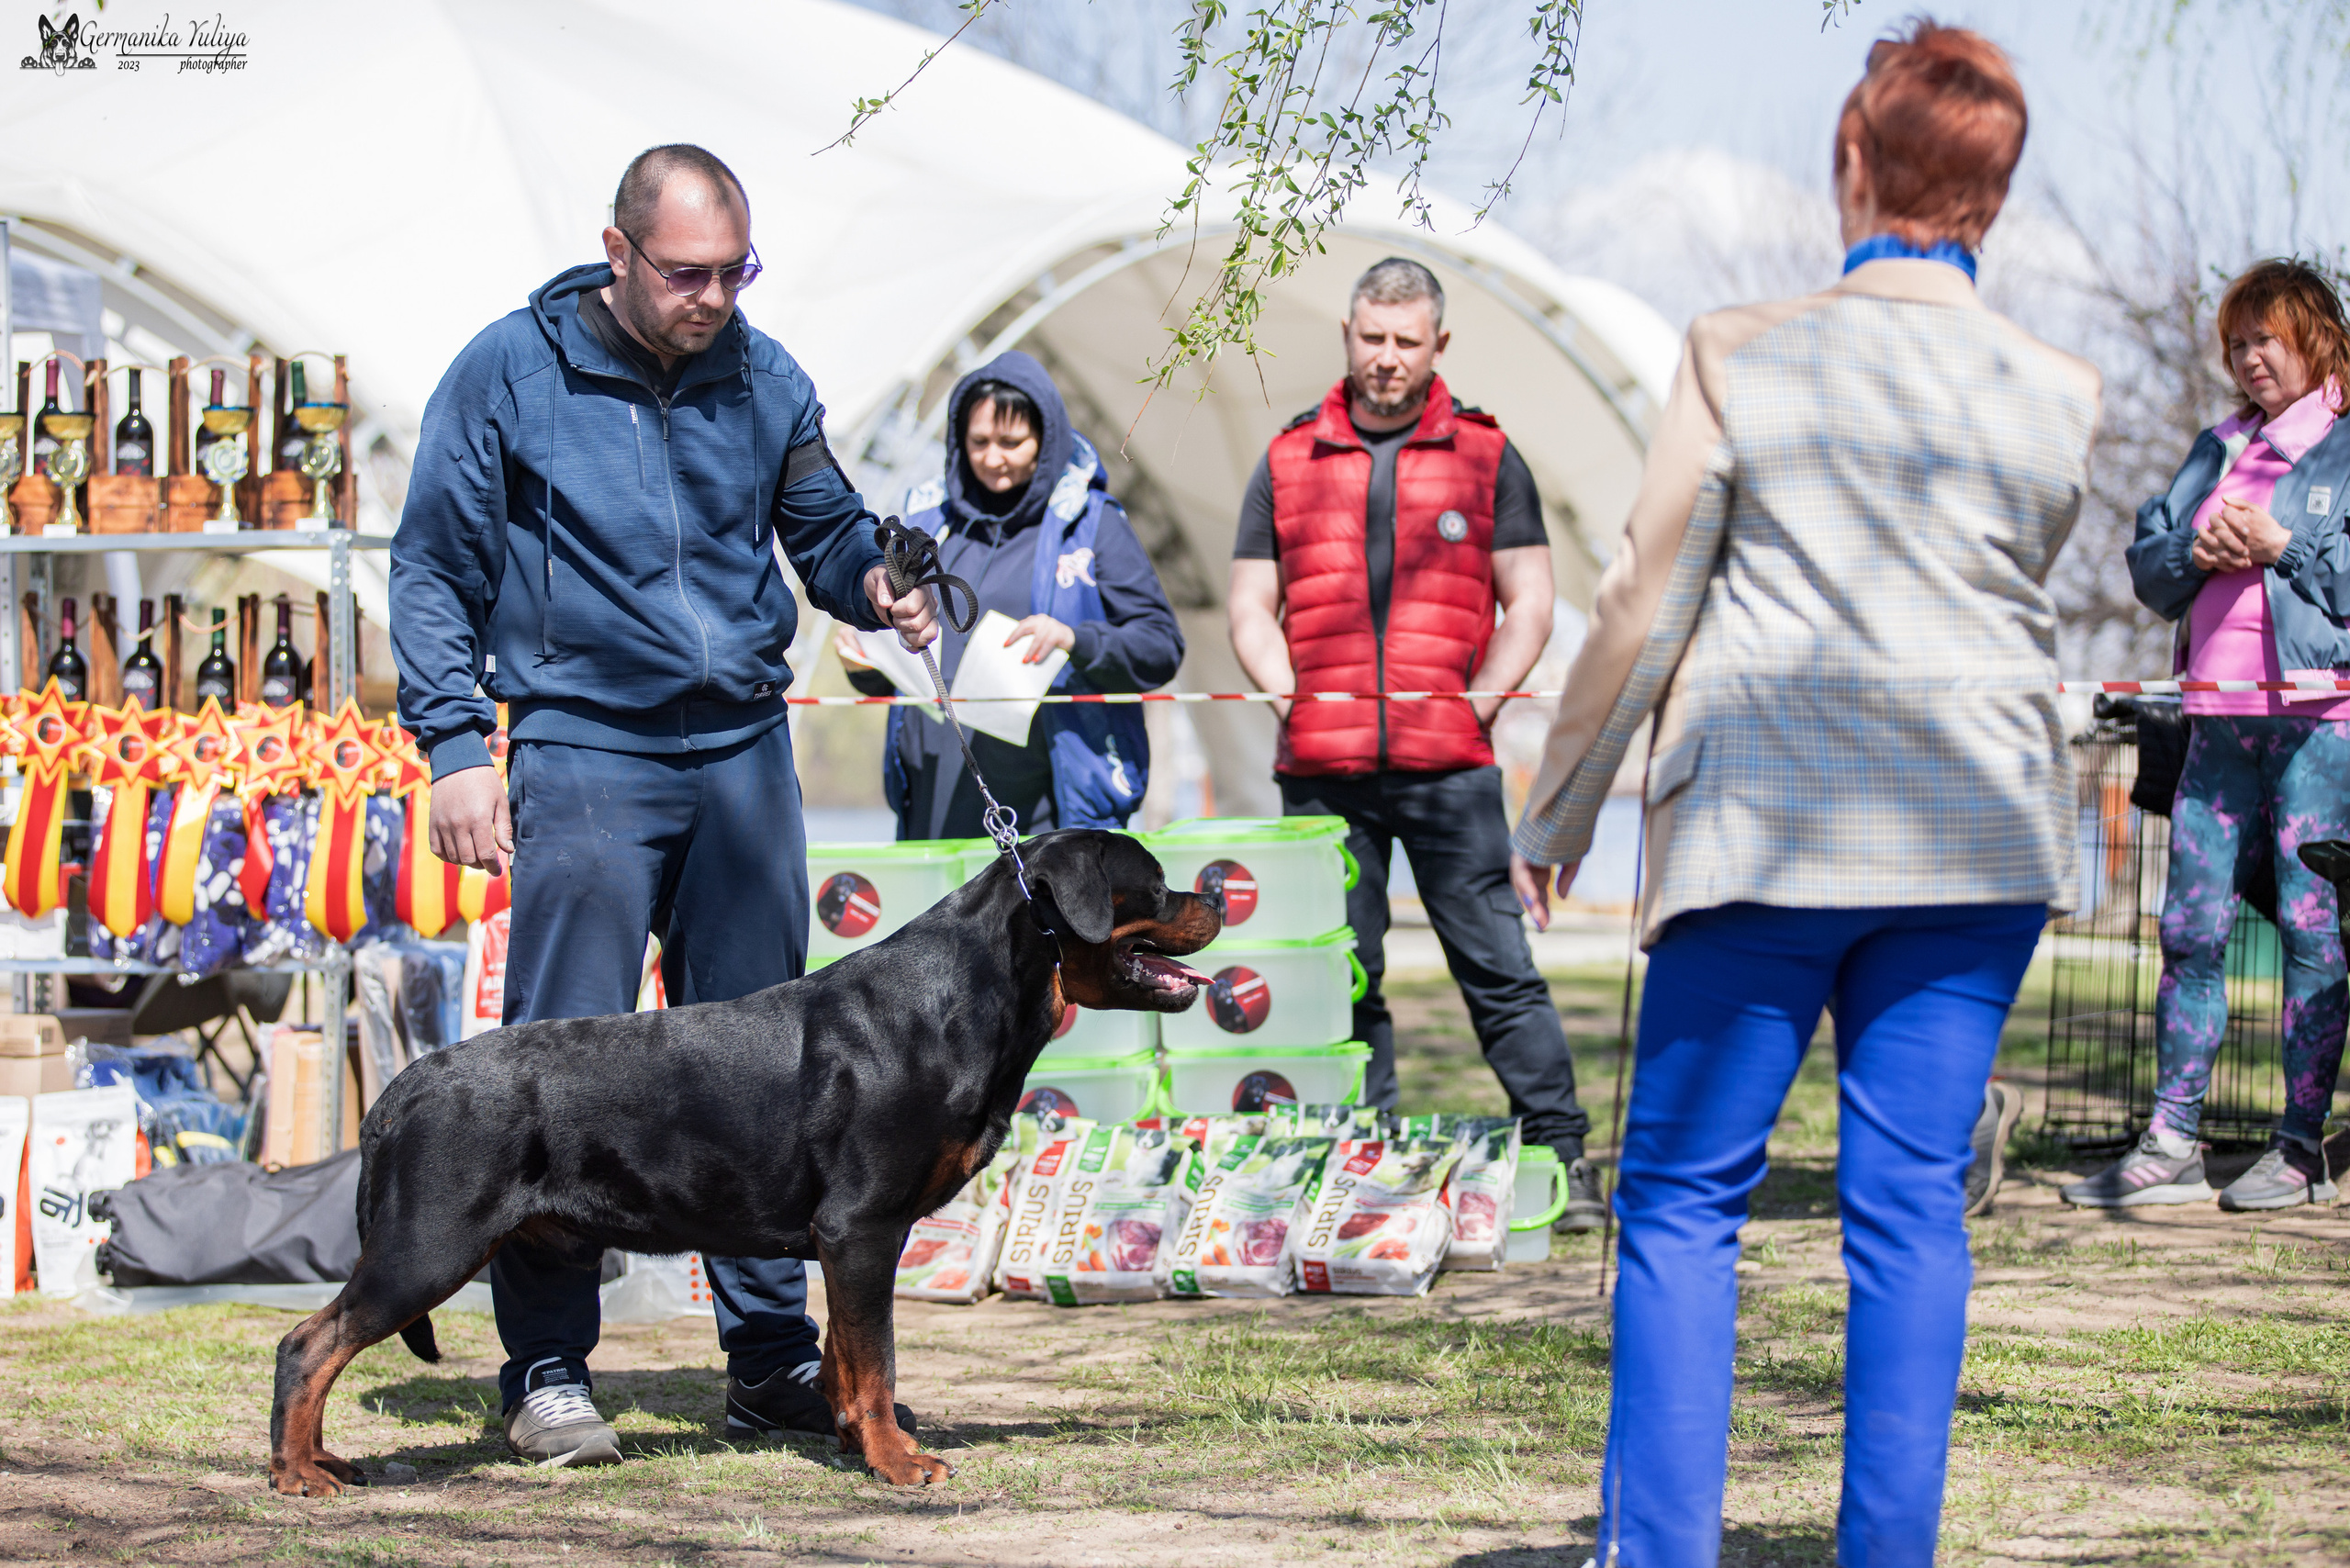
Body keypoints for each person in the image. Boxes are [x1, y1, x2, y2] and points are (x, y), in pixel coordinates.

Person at [1507, 24, 2099, 1564]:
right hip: (1977, 836)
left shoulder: (1739, 351)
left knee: (1684, 1200)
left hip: (1768, 825)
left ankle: (1663, 1550)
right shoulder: (2060, 391)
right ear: (1997, 193)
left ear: (1851, 162)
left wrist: (1558, 807)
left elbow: (1646, 595)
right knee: (1910, 1213)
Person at [390, 144, 936, 1468]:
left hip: (746, 747)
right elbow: (430, 569)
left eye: (735, 272)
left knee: (780, 1072)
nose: (713, 297)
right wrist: (456, 743)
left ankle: (770, 1364)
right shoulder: (508, 371)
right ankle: (547, 1372)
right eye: (687, 272)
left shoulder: (768, 372)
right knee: (557, 1071)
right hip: (582, 748)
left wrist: (876, 583)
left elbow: (826, 531)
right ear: (618, 250)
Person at [1226, 256, 1602, 1231]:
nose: (1385, 357)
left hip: (1451, 768)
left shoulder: (1487, 456)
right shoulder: (1285, 458)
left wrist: (1477, 706)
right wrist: (1289, 700)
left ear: (1438, 346)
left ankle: (1561, 1153)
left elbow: (1531, 602)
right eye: (1370, 337)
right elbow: (1248, 608)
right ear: (1347, 336)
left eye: (1405, 340)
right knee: (1341, 970)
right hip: (1321, 769)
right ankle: (1359, 1157)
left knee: (1496, 966)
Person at [2073, 261, 2350, 1212]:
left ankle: (2298, 1146)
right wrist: (2195, 548)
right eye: (2234, 343)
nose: (2246, 357)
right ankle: (2171, 1144)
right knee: (2188, 927)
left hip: (2320, 729)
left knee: (2313, 933)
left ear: (2311, 335)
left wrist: (2285, 548)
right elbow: (2150, 570)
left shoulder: (2347, 447)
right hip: (2215, 723)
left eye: (2262, 338)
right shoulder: (2217, 444)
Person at [835, 351, 1182, 836]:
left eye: (1011, 442)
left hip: (1054, 811)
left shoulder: (1092, 522)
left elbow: (1161, 646)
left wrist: (1073, 640)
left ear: (1046, 438)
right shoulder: (927, 521)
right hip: (935, 804)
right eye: (978, 442)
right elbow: (908, 659)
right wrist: (867, 665)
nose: (992, 458)